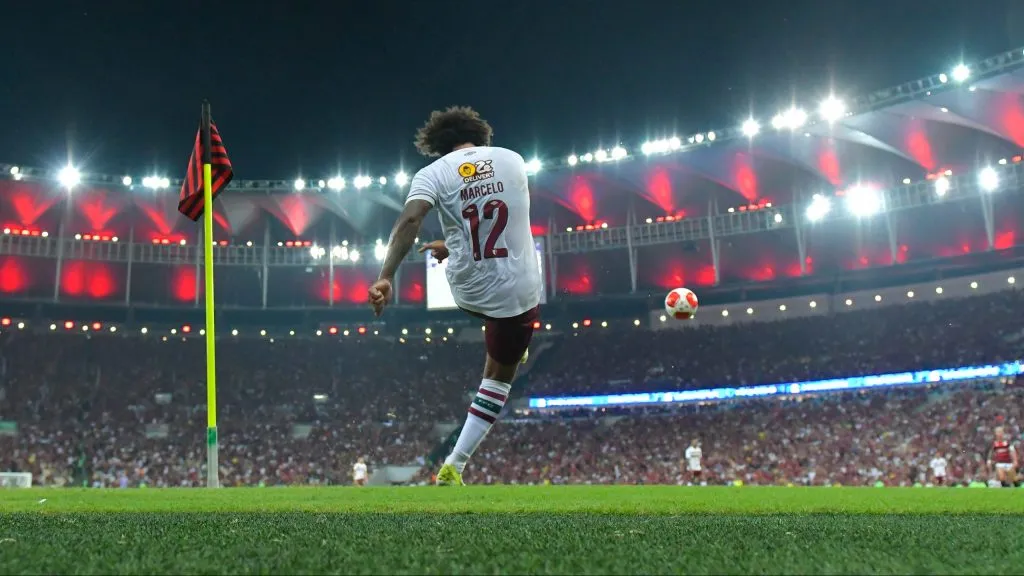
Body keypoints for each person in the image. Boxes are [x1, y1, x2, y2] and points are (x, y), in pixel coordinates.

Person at [368, 106, 542, 486]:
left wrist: (385, 277)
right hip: (519, 292)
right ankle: (454, 466)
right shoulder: (513, 160)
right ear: (481, 137)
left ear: (437, 147)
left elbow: (411, 220)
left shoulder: (432, 173)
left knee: (501, 322)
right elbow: (505, 214)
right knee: (498, 377)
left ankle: (513, 338)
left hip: (466, 289)